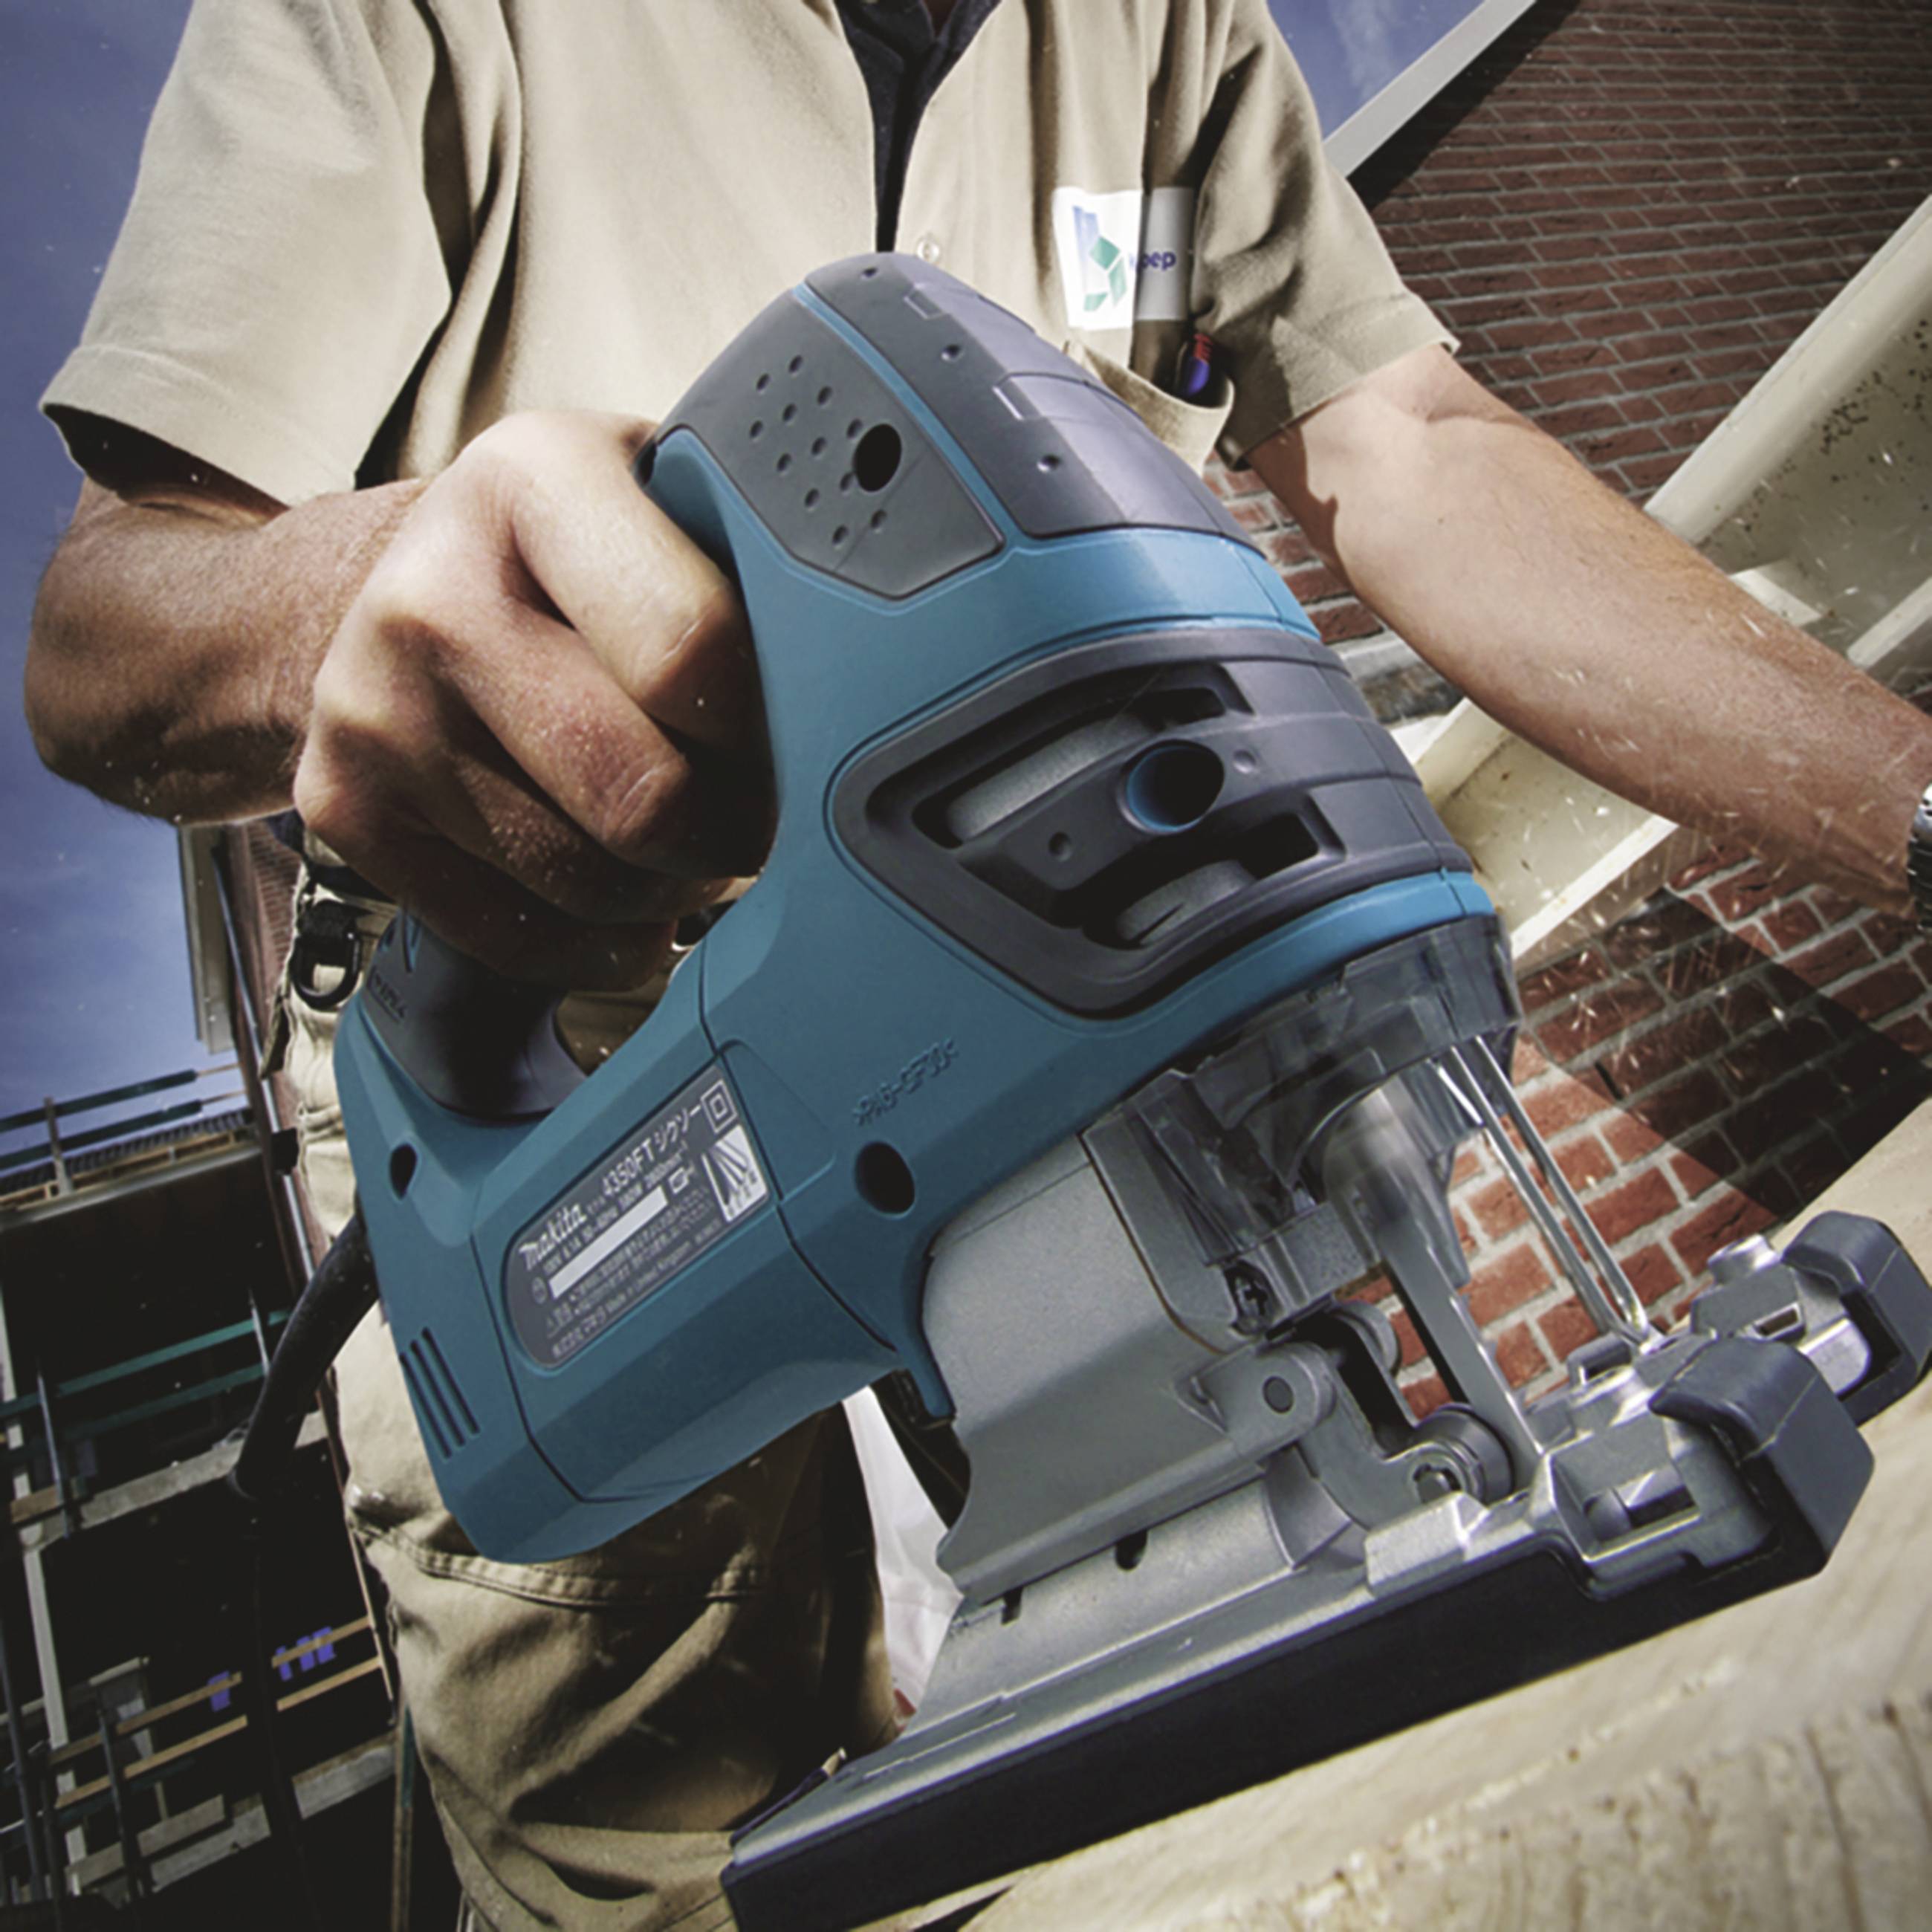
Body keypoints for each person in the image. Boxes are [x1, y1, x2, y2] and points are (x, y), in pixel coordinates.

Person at [25, 2, 1932, 1925]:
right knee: (681, 1851)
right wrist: (375, 592)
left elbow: (1404, 444)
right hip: (556, 1020)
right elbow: (114, 622)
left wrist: (1917, 809)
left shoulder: (1169, 48)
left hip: (1044, 968)